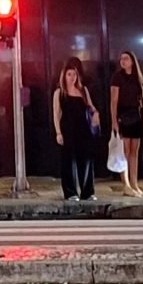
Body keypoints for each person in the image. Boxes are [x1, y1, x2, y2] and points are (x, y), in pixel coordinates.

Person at [52, 61, 100, 205]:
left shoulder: (83, 90)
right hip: (67, 129)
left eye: (74, 74)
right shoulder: (59, 92)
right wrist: (58, 132)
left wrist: (96, 114)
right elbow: (56, 113)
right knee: (68, 161)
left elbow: (90, 106)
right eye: (69, 74)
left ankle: (88, 191)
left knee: (86, 161)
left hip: (84, 129)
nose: (72, 77)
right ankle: (70, 192)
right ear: (64, 76)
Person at [109, 49, 143, 196]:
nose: (123, 61)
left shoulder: (137, 78)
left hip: (136, 114)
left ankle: (135, 183)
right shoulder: (117, 77)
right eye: (121, 59)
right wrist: (114, 120)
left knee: (134, 152)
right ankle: (126, 184)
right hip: (123, 114)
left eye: (126, 58)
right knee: (124, 151)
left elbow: (141, 99)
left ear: (132, 61)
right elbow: (113, 100)